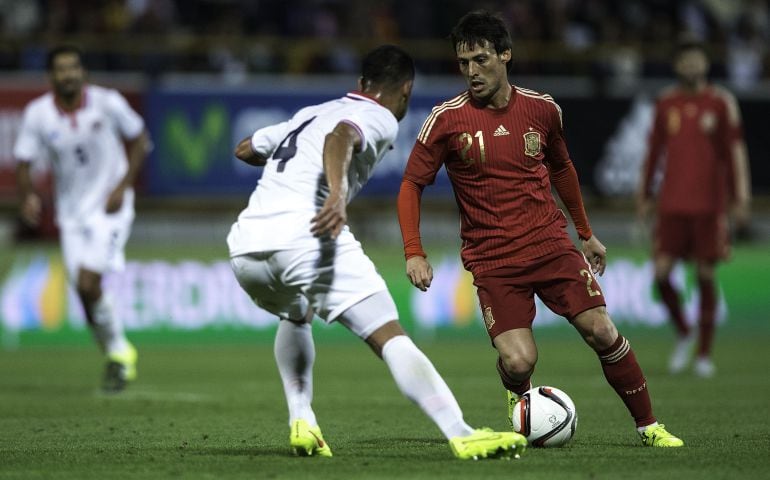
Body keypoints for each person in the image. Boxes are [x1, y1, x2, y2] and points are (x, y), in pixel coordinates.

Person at [397, 11, 683, 448]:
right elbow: (411, 184)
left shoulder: (543, 109)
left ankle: (649, 426)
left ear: (505, 55)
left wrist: (585, 233)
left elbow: (562, 168)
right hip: (493, 260)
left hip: (551, 245)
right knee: (518, 360)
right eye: (463, 63)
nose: (472, 72)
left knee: (602, 331)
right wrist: (413, 251)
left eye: (481, 59)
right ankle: (518, 402)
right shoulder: (447, 119)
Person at [227, 45, 526, 460]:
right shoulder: (379, 116)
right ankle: (461, 432)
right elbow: (342, 136)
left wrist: (292, 169)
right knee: (388, 334)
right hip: (307, 236)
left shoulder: (311, 113)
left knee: (296, 312)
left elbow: (246, 148)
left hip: (247, 247)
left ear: (361, 84)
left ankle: (303, 421)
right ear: (405, 90)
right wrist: (335, 193)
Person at [14, 45, 149, 393]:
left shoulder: (108, 102)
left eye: (74, 67)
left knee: (89, 283)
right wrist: (27, 194)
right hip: (71, 214)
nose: (69, 74)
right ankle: (115, 353)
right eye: (61, 69)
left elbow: (139, 138)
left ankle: (120, 353)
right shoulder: (38, 114)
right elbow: (24, 160)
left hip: (111, 206)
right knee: (84, 292)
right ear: (51, 77)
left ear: (83, 72)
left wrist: (123, 184)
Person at [638, 38, 751, 378]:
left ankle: (703, 353)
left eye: (696, 61)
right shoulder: (666, 103)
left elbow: (735, 154)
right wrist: (644, 196)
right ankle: (684, 332)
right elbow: (653, 153)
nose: (691, 66)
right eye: (685, 61)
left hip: (709, 205)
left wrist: (739, 198)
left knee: (705, 274)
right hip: (672, 203)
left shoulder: (720, 103)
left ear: (706, 64)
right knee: (660, 275)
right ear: (677, 66)